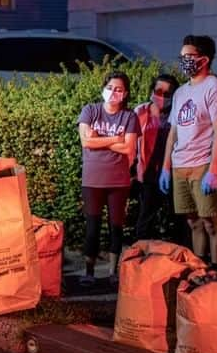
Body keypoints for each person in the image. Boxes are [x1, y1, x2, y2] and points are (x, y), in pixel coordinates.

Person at [160, 35, 217, 271]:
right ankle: (199, 270)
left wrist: (213, 170)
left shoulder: (215, 88)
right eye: (181, 57)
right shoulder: (181, 92)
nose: (184, 61)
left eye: (188, 57)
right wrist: (165, 167)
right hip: (181, 165)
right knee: (193, 222)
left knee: (211, 222)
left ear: (204, 59)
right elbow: (173, 133)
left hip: (204, 164)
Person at [77, 71, 139, 287]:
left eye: (119, 89)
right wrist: (114, 139)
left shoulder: (130, 117)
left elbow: (129, 147)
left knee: (116, 227)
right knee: (92, 225)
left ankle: (113, 272)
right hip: (92, 180)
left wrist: (99, 139)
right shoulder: (90, 111)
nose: (114, 93)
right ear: (104, 88)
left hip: (118, 181)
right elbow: (86, 142)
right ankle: (89, 271)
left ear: (125, 94)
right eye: (111, 87)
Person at [132, 74, 181, 241]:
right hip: (148, 173)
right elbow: (131, 143)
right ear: (152, 90)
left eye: (167, 94)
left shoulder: (178, 114)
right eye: (158, 91)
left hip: (173, 173)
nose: (162, 97)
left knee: (179, 219)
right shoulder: (140, 112)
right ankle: (140, 259)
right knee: (145, 218)